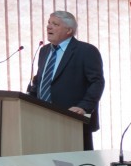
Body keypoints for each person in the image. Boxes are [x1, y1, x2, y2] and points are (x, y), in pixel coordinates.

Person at [28, 11, 105, 150]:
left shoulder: (86, 50)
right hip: (43, 120)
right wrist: (28, 101)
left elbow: (97, 82)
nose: (49, 27)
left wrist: (84, 107)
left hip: (73, 120)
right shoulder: (44, 51)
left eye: (55, 24)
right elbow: (40, 81)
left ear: (69, 30)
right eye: (48, 23)